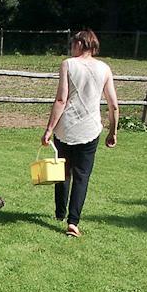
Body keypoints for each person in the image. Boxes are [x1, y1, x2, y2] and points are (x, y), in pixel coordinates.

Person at [41, 29, 119, 237]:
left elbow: (61, 100)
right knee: (82, 176)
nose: (71, 47)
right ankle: (73, 222)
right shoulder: (105, 69)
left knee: (62, 170)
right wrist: (113, 131)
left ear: (81, 44)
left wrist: (49, 129)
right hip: (90, 128)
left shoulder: (68, 64)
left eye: (73, 43)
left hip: (66, 127)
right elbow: (113, 104)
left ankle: (59, 212)